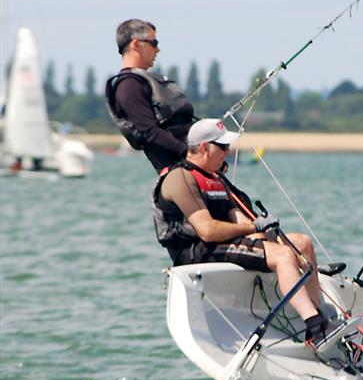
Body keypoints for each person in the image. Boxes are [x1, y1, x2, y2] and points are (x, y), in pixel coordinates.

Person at [153, 117, 329, 345]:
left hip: (220, 242)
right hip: (195, 251)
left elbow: (239, 220)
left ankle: (317, 320)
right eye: (224, 147)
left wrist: (262, 230)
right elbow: (207, 231)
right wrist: (253, 229)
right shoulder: (180, 178)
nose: (228, 152)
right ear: (205, 148)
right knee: (283, 256)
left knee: (301, 244)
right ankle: (316, 325)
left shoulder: (214, 178)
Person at [105, 19, 195, 172]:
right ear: (136, 45)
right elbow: (150, 132)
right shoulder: (128, 86)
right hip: (179, 168)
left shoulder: (145, 81)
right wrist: (190, 153)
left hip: (194, 164)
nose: (157, 50)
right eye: (154, 43)